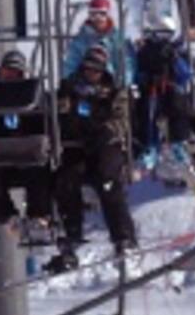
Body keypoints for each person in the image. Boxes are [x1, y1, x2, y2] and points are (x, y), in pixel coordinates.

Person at [51, 43, 137, 269]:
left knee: (108, 181)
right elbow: (61, 115)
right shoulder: (69, 88)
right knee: (66, 179)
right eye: (88, 68)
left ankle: (123, 237)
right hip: (76, 145)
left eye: (97, 70)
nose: (92, 74)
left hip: (103, 145)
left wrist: (102, 126)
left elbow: (120, 121)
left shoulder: (114, 91)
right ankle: (72, 234)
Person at [0, 49, 54, 228]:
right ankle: (8, 217)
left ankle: (38, 216)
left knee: (40, 168)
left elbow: (44, 126)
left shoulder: (33, 97)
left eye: (17, 73)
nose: (11, 77)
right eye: (7, 72)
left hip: (26, 156)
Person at [132, 8, 193, 175]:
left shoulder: (176, 50)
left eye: (168, 34)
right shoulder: (145, 51)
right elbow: (136, 72)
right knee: (148, 112)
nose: (164, 39)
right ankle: (150, 147)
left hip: (171, 88)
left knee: (178, 108)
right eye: (161, 34)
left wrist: (175, 59)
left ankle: (178, 144)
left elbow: (186, 74)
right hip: (152, 88)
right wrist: (144, 78)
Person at [62, 0, 134, 86]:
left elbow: (127, 65)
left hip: (111, 84)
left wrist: (123, 85)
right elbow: (70, 64)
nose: (98, 18)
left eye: (102, 14)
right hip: (85, 85)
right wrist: (68, 83)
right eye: (93, 14)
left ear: (108, 15)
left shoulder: (118, 39)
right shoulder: (81, 40)